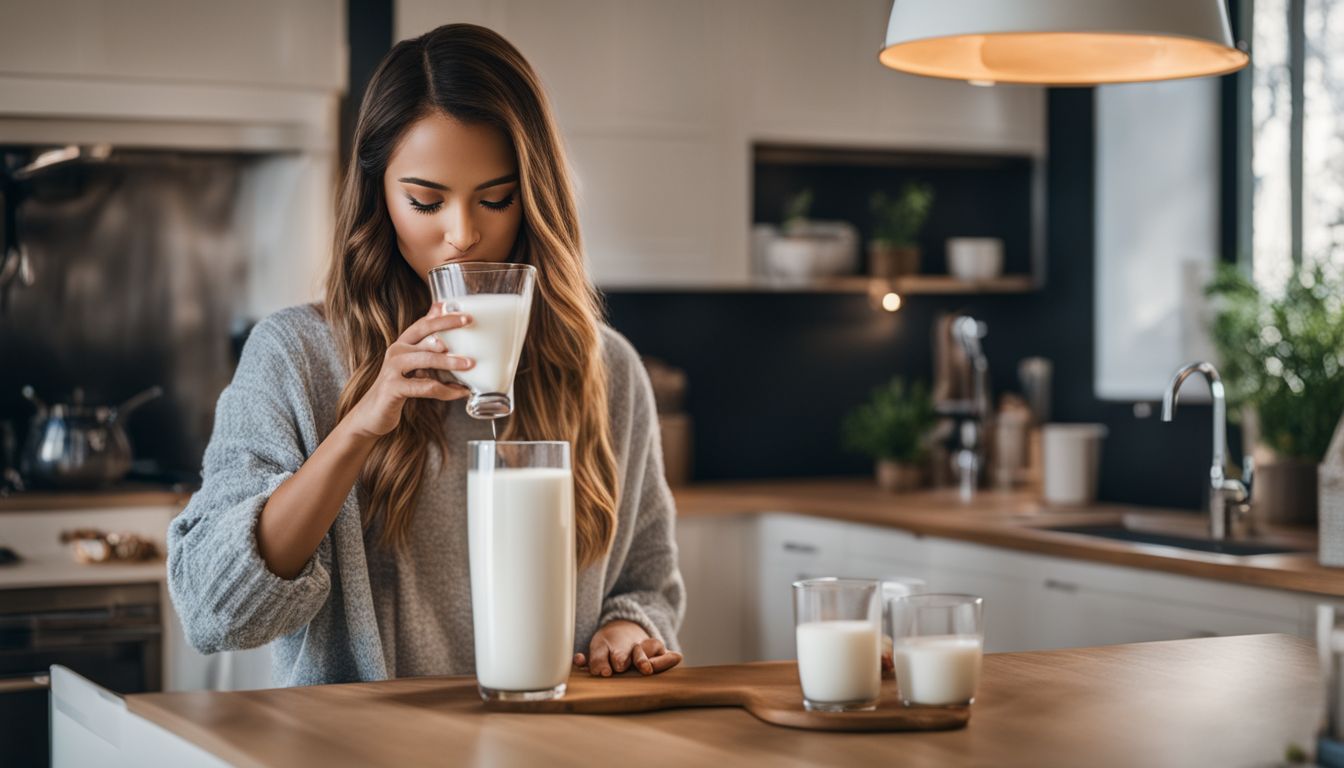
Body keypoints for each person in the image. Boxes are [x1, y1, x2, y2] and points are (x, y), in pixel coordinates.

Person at [167, 23, 685, 686]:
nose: (463, 235)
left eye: (495, 199)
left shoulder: (605, 369)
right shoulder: (296, 357)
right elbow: (216, 612)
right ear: (379, 194)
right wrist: (360, 423)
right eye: (425, 200)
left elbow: (648, 584)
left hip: (552, 744)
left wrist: (628, 628)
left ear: (534, 196)